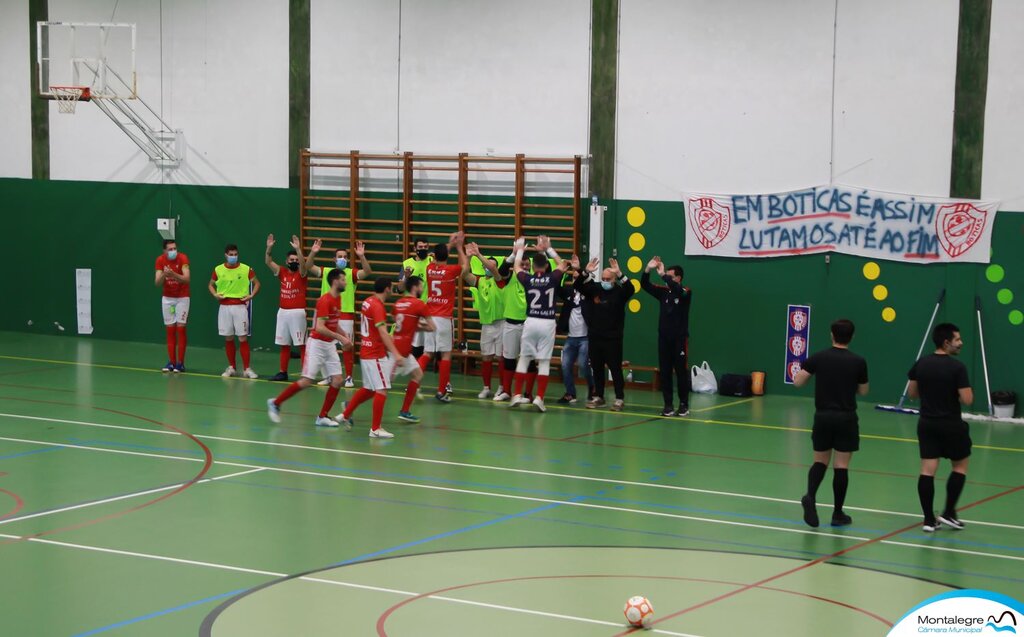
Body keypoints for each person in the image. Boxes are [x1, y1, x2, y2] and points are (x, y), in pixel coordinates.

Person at [792, 319, 869, 528]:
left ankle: (810, 495)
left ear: (831, 335)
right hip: (846, 418)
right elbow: (863, 391)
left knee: (820, 462)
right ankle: (837, 514)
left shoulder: (818, 358)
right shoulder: (858, 361)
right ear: (851, 337)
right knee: (841, 466)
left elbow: (798, 382)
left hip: (823, 417)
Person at [907, 323, 974, 533]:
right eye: (957, 340)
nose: (961, 343)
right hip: (952, 425)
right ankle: (948, 512)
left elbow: (912, 394)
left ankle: (928, 519)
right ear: (946, 343)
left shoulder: (921, 364)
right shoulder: (957, 367)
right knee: (959, 467)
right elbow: (967, 399)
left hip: (927, 424)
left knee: (927, 471)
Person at [266, 269, 354, 427]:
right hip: (317, 345)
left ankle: (322, 416)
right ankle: (276, 403)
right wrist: (341, 338)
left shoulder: (338, 298)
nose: (346, 282)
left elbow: (333, 323)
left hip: (329, 345)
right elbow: (319, 327)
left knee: (337, 380)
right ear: (335, 282)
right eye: (343, 279)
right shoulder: (325, 300)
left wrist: (345, 337)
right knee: (306, 381)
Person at [336, 278, 404, 439]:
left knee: (369, 389)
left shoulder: (368, 301)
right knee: (381, 389)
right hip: (375, 354)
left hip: (366, 352)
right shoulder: (378, 306)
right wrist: (396, 353)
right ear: (387, 289)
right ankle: (375, 428)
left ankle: (345, 415)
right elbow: (382, 333)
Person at [507, 237, 568, 412]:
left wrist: (519, 250)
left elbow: (517, 267)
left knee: (525, 358)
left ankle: (517, 393)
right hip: (547, 322)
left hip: (531, 320)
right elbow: (563, 264)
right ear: (546, 266)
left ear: (533, 267)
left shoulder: (528, 279)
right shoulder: (553, 278)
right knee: (544, 361)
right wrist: (549, 249)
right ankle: (539, 398)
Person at [306, 240, 372, 387]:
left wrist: (361, 256)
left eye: (344, 256)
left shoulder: (351, 273)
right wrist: (313, 252)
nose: (342, 258)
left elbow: (367, 272)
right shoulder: (326, 272)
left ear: (347, 259)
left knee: (346, 345)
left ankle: (349, 377)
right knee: (324, 345)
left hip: (345, 314)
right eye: (339, 256)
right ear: (334, 259)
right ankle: (328, 376)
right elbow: (308, 266)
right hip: (326, 315)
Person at [575, 256, 634, 411]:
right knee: (597, 368)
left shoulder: (620, 293)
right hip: (595, 337)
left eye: (608, 279)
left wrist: (620, 273)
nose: (605, 281)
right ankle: (599, 396)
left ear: (614, 279)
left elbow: (631, 289)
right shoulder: (595, 289)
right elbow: (578, 285)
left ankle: (619, 398)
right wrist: (585, 271)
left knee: (615, 369)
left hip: (613, 338)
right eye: (603, 278)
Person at [641, 256, 693, 416]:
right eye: (666, 276)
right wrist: (648, 269)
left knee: (680, 371)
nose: (666, 279)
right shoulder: (663, 293)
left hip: (679, 339)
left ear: (678, 278)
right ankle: (668, 405)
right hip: (664, 339)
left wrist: (663, 274)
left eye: (670, 277)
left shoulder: (685, 292)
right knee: (665, 371)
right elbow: (645, 285)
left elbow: (678, 291)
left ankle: (683, 404)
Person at [494, 238, 540, 402]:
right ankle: (506, 391)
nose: (526, 267)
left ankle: (527, 394)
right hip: (511, 324)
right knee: (509, 359)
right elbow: (501, 269)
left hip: (529, 324)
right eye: (523, 264)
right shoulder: (511, 277)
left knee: (529, 360)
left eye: (528, 265)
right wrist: (514, 254)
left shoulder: (535, 279)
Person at [419, 233, 463, 402]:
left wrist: (449, 245)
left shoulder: (429, 269)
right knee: (445, 354)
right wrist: (458, 246)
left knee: (428, 352)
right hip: (444, 318)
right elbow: (464, 266)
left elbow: (440, 255)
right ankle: (441, 391)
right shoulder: (451, 271)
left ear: (434, 256)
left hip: (429, 316)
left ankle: (415, 383)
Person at [208, 244, 260, 378]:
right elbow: (210, 284)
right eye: (230, 254)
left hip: (240, 306)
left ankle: (247, 369)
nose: (233, 257)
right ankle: (232, 367)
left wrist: (251, 295)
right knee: (228, 337)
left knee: (242, 338)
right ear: (226, 255)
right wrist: (215, 294)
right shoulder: (218, 269)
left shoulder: (246, 269)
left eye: (235, 254)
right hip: (224, 306)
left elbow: (257, 283)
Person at [265, 234, 311, 382]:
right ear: (286, 261)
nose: (294, 262)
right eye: (291, 260)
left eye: (296, 260)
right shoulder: (282, 272)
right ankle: (282, 372)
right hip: (283, 312)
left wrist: (298, 249)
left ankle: (305, 374)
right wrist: (269, 248)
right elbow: (268, 261)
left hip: (297, 313)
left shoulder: (302, 273)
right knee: (284, 343)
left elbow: (304, 266)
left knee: (301, 344)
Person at [462, 242, 505, 399]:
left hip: (502, 323)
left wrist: (479, 255)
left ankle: (502, 387)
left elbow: (494, 270)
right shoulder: (480, 281)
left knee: (501, 357)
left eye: (491, 265)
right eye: (487, 265)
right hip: (487, 324)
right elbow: (465, 274)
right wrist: (467, 257)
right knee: (486, 356)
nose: (488, 267)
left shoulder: (501, 280)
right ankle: (486, 387)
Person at [390, 275, 436, 423]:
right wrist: (421, 325)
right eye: (421, 286)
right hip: (397, 353)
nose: (422, 289)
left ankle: (405, 411)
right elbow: (432, 327)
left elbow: (399, 323)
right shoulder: (419, 304)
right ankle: (348, 409)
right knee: (378, 387)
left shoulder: (398, 303)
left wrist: (414, 325)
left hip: (401, 349)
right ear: (415, 287)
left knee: (417, 374)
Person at [556, 265, 593, 404]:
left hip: (585, 338)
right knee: (565, 365)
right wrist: (560, 273)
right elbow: (556, 288)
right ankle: (570, 393)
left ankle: (592, 387)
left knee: (583, 365)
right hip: (571, 337)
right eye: (574, 277)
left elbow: (590, 285)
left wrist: (583, 270)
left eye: (578, 277)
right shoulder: (569, 293)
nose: (576, 279)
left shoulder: (589, 294)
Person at [154, 239, 190, 372]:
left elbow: (187, 278)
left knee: (180, 329)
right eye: (170, 249)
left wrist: (173, 274)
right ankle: (171, 362)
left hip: (182, 298)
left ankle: (180, 363)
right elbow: (157, 283)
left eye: (174, 248)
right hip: (168, 299)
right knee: (170, 330)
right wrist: (164, 273)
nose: (173, 251)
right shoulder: (160, 260)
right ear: (164, 251)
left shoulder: (183, 258)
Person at [398, 238, 433, 359]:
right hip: (412, 310)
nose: (423, 249)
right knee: (415, 346)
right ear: (415, 249)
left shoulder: (432, 261)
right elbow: (400, 289)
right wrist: (406, 277)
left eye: (425, 247)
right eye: (420, 247)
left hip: (429, 308)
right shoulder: (406, 264)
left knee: (430, 346)